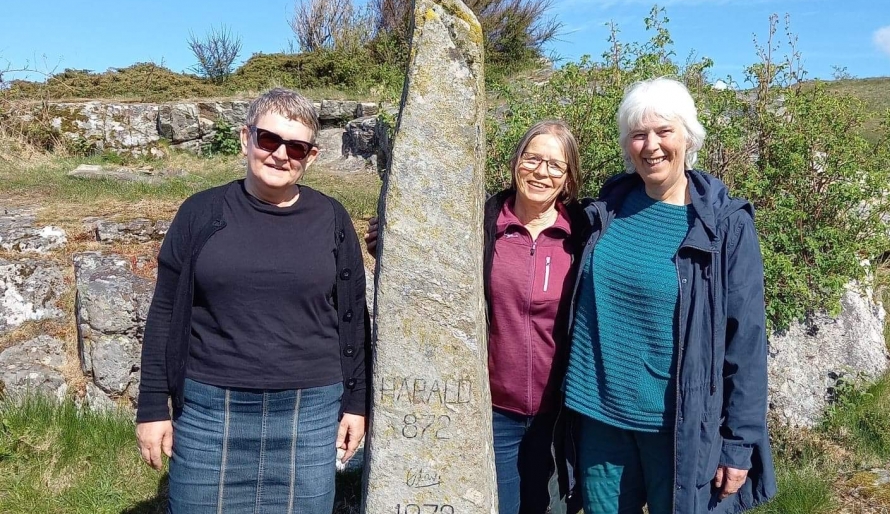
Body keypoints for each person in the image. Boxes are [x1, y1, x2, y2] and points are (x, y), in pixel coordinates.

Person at [135, 87, 370, 512]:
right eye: (269, 140)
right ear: (246, 139)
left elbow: (354, 316)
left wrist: (356, 404)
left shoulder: (332, 218)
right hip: (209, 411)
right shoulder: (200, 213)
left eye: (296, 147)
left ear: (311, 157)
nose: (281, 154)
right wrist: (152, 406)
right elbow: (165, 312)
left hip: (311, 411)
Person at [563, 77, 777, 514]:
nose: (651, 146)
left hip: (679, 426)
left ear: (689, 137)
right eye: (639, 134)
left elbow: (746, 340)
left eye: (664, 132)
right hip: (600, 419)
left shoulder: (725, 226)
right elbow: (524, 228)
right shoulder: (604, 213)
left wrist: (739, 443)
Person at [366, 120, 585, 513]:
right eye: (532, 159)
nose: (541, 172)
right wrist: (395, 239)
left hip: (559, 416)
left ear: (569, 178)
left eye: (555, 165)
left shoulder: (583, 236)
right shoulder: (481, 224)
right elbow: (430, 244)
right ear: (516, 161)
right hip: (491, 410)